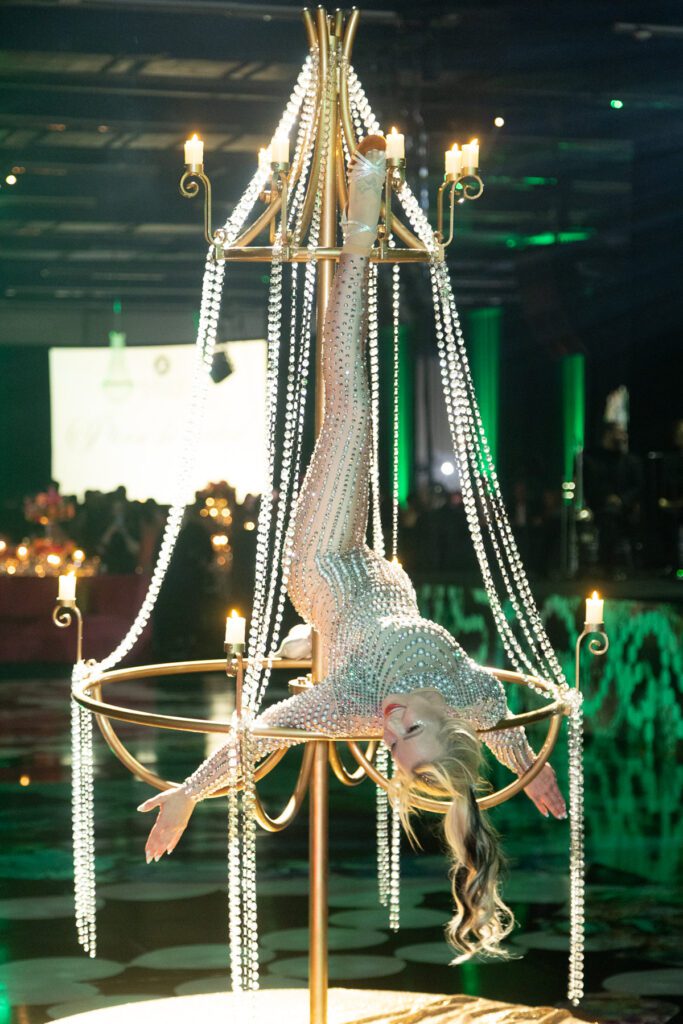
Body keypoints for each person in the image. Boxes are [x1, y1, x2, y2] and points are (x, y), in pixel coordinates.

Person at [138, 136, 565, 963]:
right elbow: (509, 728)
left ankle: (359, 234)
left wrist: (187, 795)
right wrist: (531, 769)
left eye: (389, 750)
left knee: (353, 416)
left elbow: (255, 742)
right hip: (377, 571)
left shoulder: (347, 707)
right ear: (439, 723)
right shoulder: (465, 690)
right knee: (363, 421)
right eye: (405, 739)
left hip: (326, 563)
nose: (385, 735)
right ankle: (303, 646)